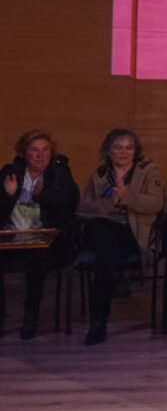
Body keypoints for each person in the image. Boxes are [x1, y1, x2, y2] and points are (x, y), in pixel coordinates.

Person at [76, 129, 164, 344]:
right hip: (103, 234)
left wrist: (126, 197)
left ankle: (98, 325)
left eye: (129, 148)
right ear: (108, 150)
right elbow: (83, 208)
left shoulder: (147, 172)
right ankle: (116, 278)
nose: (123, 152)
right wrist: (109, 203)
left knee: (104, 259)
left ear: (136, 151)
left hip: (132, 236)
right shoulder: (99, 175)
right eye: (118, 147)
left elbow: (156, 204)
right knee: (104, 233)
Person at [0, 130, 79, 340]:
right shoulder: (10, 172)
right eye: (34, 150)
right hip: (11, 238)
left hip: (48, 241)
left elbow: (67, 204)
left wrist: (42, 196)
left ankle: (31, 313)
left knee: (36, 255)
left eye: (45, 150)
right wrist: (8, 196)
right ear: (23, 152)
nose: (40, 155)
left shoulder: (60, 173)